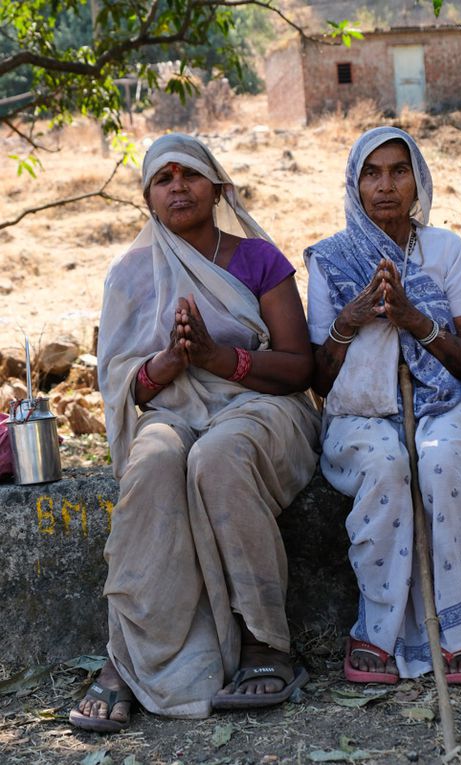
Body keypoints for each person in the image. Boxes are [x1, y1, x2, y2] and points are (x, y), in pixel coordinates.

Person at [69, 133, 320, 732]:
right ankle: (128, 657)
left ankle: (266, 644)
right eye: (163, 178)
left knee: (219, 457)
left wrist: (218, 360)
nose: (178, 186)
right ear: (150, 199)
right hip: (170, 411)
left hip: (258, 408)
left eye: (189, 174)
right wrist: (173, 362)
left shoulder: (259, 259)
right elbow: (125, 386)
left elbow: (297, 367)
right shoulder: (131, 274)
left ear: (217, 186)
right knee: (155, 461)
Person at [305, 126, 461, 684]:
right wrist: (348, 322)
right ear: (354, 184)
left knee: (442, 460)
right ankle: (377, 630)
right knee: (387, 465)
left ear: (417, 180)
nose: (386, 185)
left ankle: (458, 630)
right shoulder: (332, 260)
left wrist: (417, 322)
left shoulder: (444, 249)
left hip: (444, 406)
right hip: (362, 414)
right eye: (371, 173)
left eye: (399, 170)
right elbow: (319, 378)